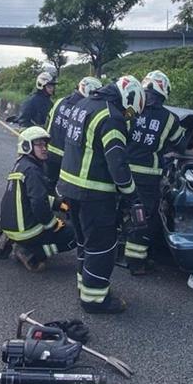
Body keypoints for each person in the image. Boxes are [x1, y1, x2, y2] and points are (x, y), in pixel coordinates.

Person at [58, 75, 145, 314]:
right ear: (129, 98)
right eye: (130, 113)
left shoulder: (84, 104)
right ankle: (95, 300)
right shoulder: (112, 117)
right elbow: (117, 163)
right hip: (93, 193)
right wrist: (132, 196)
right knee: (102, 247)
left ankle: (84, 287)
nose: (129, 118)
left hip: (70, 189)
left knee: (84, 242)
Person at [124, 71, 185, 274]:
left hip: (121, 172)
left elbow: (118, 131)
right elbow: (181, 144)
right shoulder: (170, 119)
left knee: (122, 211)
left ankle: (116, 249)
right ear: (163, 91)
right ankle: (136, 262)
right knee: (144, 217)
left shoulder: (131, 112)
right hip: (147, 178)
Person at [0, 127, 76, 272]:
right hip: (27, 231)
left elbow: (31, 197)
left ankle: (23, 244)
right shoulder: (33, 170)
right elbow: (39, 203)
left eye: (45, 145)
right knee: (75, 235)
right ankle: (32, 253)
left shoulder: (20, 165)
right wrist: (53, 224)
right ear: (27, 146)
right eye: (39, 145)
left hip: (12, 227)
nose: (44, 149)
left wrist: (60, 204)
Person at [45, 76, 102, 192]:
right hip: (68, 159)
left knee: (47, 186)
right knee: (62, 192)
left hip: (48, 153)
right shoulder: (83, 109)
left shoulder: (60, 101)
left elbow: (48, 123)